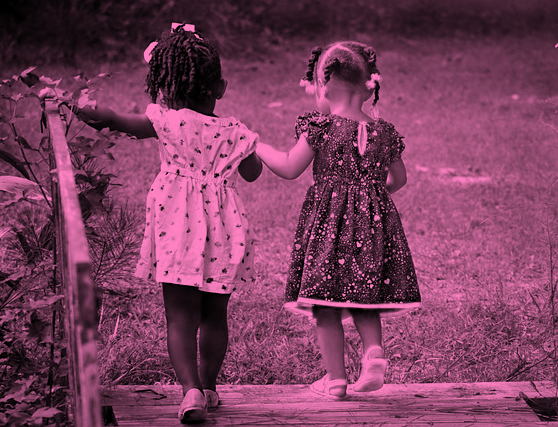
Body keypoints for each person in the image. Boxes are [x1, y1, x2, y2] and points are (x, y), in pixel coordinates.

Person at [74, 24, 263, 423]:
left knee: (180, 317)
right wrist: (238, 147)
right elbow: (252, 173)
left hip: (176, 227)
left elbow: (111, 120)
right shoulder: (234, 131)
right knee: (215, 315)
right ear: (221, 87)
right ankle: (210, 387)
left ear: (164, 86)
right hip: (225, 231)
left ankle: (190, 391)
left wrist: (72, 103)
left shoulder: (165, 120)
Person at [256, 41, 421, 399]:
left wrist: (256, 145)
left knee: (326, 302)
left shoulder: (322, 128)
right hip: (373, 228)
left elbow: (288, 167)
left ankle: (335, 381)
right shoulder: (385, 132)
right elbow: (399, 179)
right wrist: (372, 198)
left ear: (324, 84)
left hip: (329, 229)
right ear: (367, 85)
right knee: (365, 295)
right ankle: (373, 353)